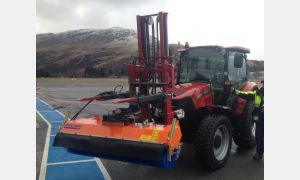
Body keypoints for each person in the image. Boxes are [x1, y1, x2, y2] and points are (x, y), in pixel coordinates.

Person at [235, 81, 264, 160]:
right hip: (259, 120)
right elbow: (246, 95)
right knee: (258, 137)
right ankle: (259, 153)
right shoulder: (257, 93)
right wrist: (236, 92)